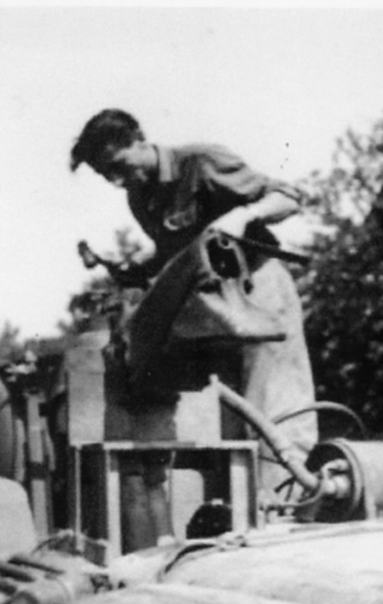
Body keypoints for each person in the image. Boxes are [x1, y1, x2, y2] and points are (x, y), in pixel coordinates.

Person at [70, 109, 317, 542]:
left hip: (258, 294)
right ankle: (244, 532)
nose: (118, 181)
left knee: (275, 417)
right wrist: (130, 270)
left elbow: (289, 197)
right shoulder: (141, 198)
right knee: (234, 432)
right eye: (108, 175)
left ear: (140, 140)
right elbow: (173, 257)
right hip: (213, 314)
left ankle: (285, 525)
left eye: (120, 166)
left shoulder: (200, 162)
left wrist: (242, 216)